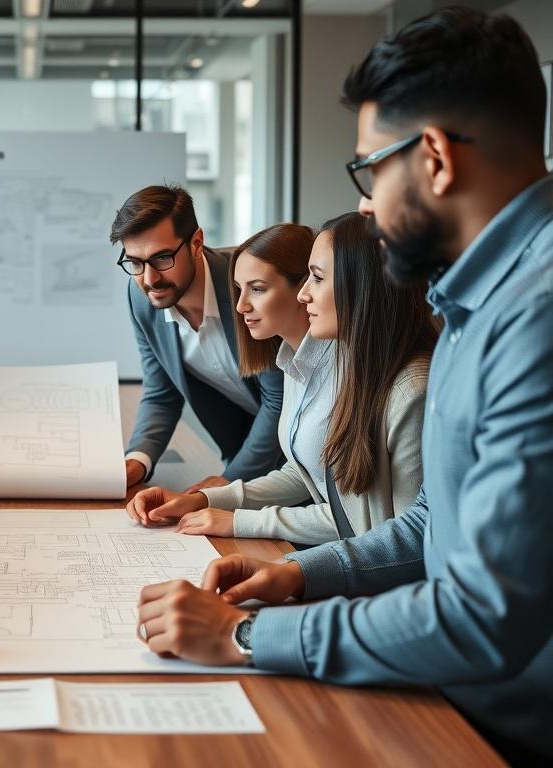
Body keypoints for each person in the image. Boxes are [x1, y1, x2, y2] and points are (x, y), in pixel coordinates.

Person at [134, 8, 553, 763]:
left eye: (369, 170)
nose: (363, 203)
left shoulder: (536, 315)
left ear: (432, 158)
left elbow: (484, 614)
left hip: (500, 730)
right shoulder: (469, 298)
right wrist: (298, 576)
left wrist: (248, 634)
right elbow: (434, 523)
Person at [129, 212, 436, 545]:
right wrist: (205, 498)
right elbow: (305, 474)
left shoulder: (402, 390)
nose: (241, 305)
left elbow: (391, 531)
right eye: (238, 290)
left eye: (316, 279)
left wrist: (240, 520)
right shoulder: (293, 362)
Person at [113, 185, 284, 491]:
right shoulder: (141, 299)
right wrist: (138, 461)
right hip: (247, 451)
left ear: (196, 242)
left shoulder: (245, 287)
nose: (150, 279)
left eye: (162, 258)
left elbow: (279, 398)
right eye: (135, 263)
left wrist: (229, 480)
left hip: (310, 453)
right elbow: (161, 391)